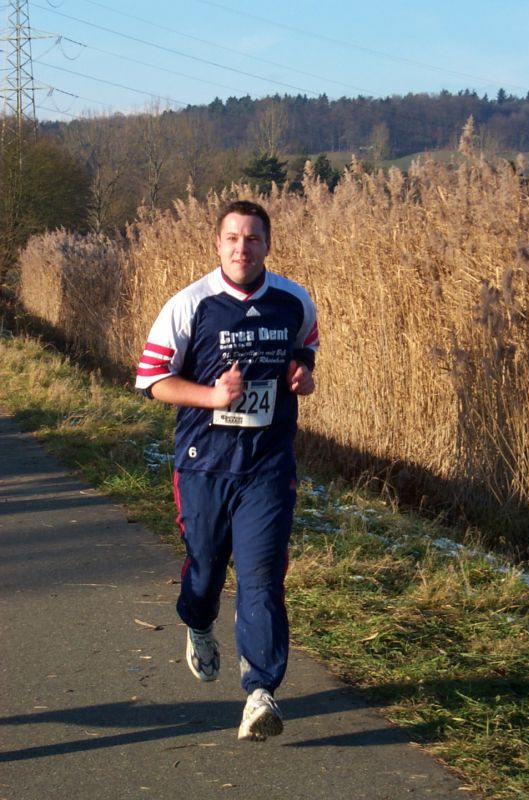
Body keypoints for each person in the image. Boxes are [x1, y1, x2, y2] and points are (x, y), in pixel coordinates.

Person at [135, 199, 319, 741]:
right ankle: (197, 621)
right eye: (233, 238)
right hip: (204, 466)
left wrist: (302, 376)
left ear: (268, 245)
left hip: (268, 465)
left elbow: (306, 347)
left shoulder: (293, 300)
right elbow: (151, 379)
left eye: (253, 238)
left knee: (262, 578)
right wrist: (212, 394)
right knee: (207, 569)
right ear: (218, 245)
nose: (243, 247)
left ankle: (260, 691)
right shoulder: (191, 304)